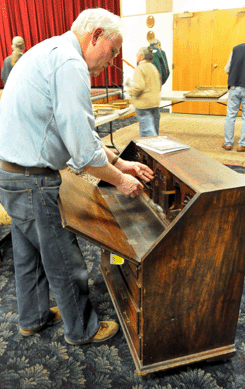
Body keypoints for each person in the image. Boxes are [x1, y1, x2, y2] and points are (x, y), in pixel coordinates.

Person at [0, 8, 154, 346]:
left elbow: (74, 132)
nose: (112, 61)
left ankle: (33, 317)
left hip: (9, 173)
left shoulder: (51, 50)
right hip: (32, 181)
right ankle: (82, 329)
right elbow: (83, 154)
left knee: (27, 253)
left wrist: (120, 162)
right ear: (95, 35)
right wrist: (121, 180)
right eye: (112, 50)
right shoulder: (70, 64)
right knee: (62, 257)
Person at [128, 46, 162, 137]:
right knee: (148, 132)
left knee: (148, 132)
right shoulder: (153, 67)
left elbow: (139, 87)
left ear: (142, 56)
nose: (136, 56)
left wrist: (130, 91)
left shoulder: (140, 68)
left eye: (137, 54)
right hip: (155, 102)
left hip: (144, 104)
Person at [222, 43, 245, 152]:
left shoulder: (236, 48)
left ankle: (228, 143)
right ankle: (242, 145)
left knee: (230, 116)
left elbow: (227, 69)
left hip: (234, 86)